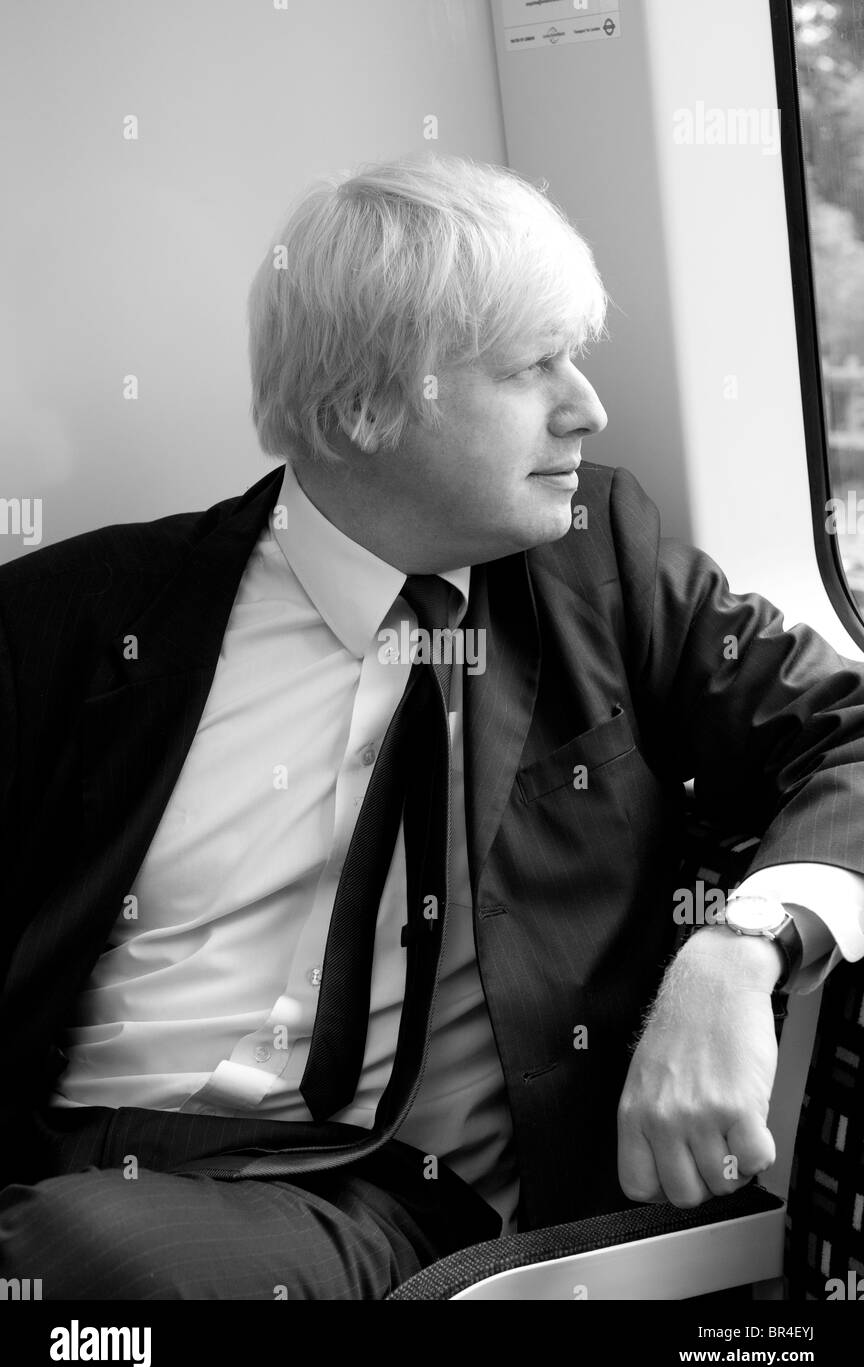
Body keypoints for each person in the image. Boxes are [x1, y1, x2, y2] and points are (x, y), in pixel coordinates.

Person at [1, 152, 863, 1301]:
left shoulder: (602, 560)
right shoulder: (80, 618)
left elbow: (851, 734)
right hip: (68, 1155)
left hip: (375, 1195)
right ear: (362, 409)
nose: (587, 407)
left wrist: (737, 949)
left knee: (105, 1275)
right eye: (531, 366)